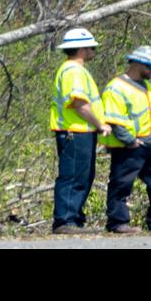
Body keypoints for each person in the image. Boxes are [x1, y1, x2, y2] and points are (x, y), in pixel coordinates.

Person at [99, 46, 151, 233]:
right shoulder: (116, 87)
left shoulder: (148, 87)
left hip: (149, 144)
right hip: (128, 146)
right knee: (121, 183)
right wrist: (130, 141)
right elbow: (114, 119)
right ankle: (117, 223)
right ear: (137, 63)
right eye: (150, 66)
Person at [50, 27, 111, 233]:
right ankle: (65, 221)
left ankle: (73, 219)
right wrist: (100, 124)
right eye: (91, 46)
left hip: (79, 132)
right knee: (73, 176)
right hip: (74, 131)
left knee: (82, 176)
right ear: (82, 49)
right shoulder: (73, 71)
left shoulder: (75, 70)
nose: (94, 49)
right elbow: (79, 104)